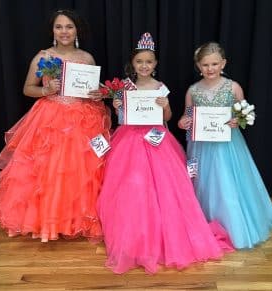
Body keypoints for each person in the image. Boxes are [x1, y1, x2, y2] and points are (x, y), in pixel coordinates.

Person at [97, 33, 234, 274]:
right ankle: (133, 233)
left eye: (149, 61)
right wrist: (118, 106)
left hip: (156, 138)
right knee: (132, 187)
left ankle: (161, 231)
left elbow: (167, 118)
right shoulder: (124, 88)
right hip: (129, 140)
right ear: (133, 64)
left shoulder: (160, 88)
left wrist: (165, 106)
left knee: (163, 187)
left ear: (155, 64)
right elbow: (122, 118)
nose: (144, 66)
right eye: (140, 62)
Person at [0, 9, 111, 242]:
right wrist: (45, 90)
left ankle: (77, 220)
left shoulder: (87, 58)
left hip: (84, 120)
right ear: (53, 31)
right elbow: (27, 88)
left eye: (69, 27)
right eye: (59, 27)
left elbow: (89, 90)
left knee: (81, 171)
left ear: (77, 30)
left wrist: (96, 95)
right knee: (50, 171)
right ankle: (49, 223)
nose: (64, 31)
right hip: (51, 119)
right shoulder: (43, 56)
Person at [178, 42, 272, 249]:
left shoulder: (233, 87)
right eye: (205, 65)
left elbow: (245, 113)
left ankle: (232, 225)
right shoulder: (193, 90)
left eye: (214, 64)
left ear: (223, 63)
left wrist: (237, 120)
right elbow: (187, 117)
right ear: (198, 66)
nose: (210, 69)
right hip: (201, 145)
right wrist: (183, 122)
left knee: (226, 181)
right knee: (204, 183)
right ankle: (205, 222)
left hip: (228, 145)